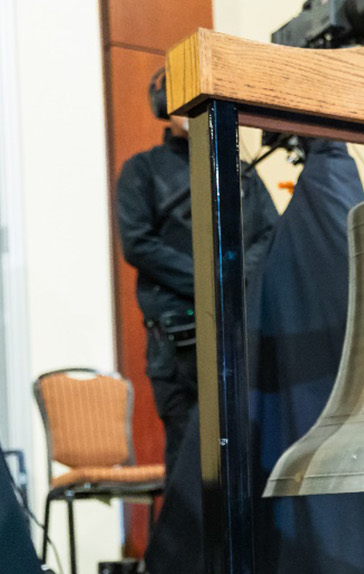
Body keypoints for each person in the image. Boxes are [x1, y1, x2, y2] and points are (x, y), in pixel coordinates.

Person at [116, 68, 278, 477]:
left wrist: (232, 280)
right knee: (188, 462)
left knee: (249, 457)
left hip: (239, 335)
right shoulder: (141, 170)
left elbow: (268, 234)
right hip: (179, 347)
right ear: (164, 107)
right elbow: (138, 243)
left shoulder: (241, 170)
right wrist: (211, 283)